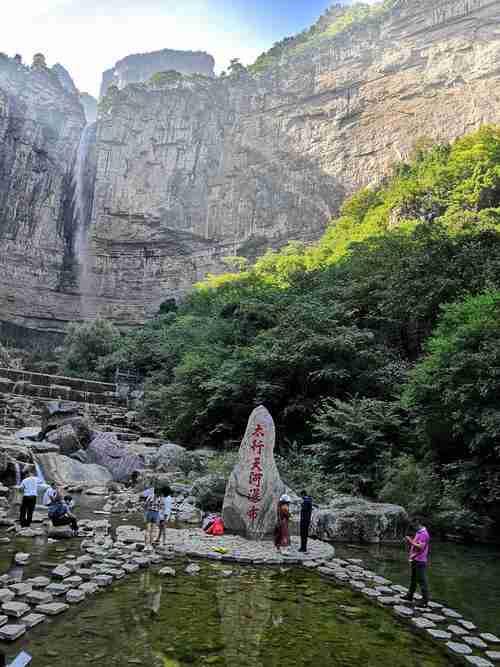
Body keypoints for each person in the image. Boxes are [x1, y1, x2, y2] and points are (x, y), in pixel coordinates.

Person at [402, 516, 431, 607]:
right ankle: (409, 596)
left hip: (420, 561)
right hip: (415, 559)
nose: (412, 526)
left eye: (413, 524)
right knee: (413, 579)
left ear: (418, 522)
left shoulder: (424, 533)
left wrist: (410, 540)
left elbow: (420, 547)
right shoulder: (418, 532)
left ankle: (424, 601)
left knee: (422, 581)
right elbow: (415, 545)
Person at [143, 484, 163, 550]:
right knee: (153, 530)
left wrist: (146, 511)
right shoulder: (160, 498)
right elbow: (161, 507)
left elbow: (145, 505)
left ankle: (146, 545)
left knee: (148, 530)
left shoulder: (150, 496)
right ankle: (151, 545)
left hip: (149, 513)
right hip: (156, 514)